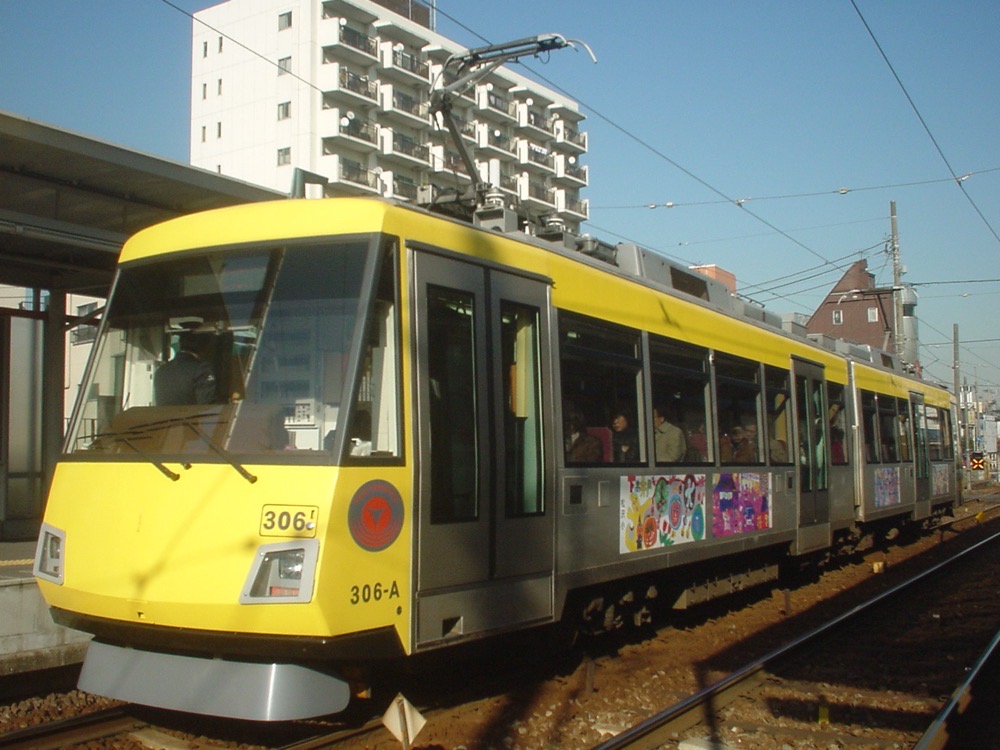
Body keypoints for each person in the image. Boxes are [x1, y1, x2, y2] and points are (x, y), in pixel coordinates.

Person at [154, 333, 217, 406]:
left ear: (179, 345)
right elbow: (207, 406)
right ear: (203, 347)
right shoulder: (202, 368)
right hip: (192, 417)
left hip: (164, 417)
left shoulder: (161, 371)